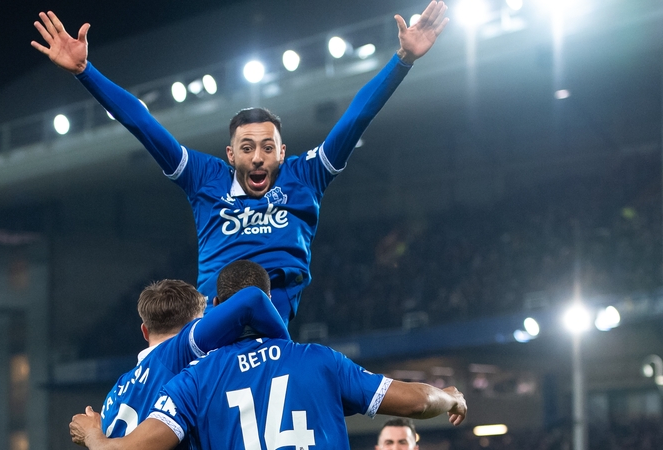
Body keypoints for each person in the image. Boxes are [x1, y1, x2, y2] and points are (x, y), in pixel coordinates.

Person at [32, 1, 450, 324]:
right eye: (247, 147)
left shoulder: (307, 176)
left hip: (274, 330)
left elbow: (357, 117)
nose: (258, 157)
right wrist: (85, 72)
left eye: (268, 147)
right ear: (230, 154)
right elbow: (142, 121)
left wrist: (403, 61)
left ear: (282, 153)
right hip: (212, 328)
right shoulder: (203, 178)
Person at [69, 260, 467, 450]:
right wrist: (451, 395)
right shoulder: (319, 360)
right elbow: (417, 402)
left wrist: (93, 435)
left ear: (217, 308)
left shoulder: (191, 380)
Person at [98, 278, 288, 446]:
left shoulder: (113, 395)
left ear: (144, 331)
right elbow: (252, 299)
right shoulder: (177, 352)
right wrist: (288, 353)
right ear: (196, 324)